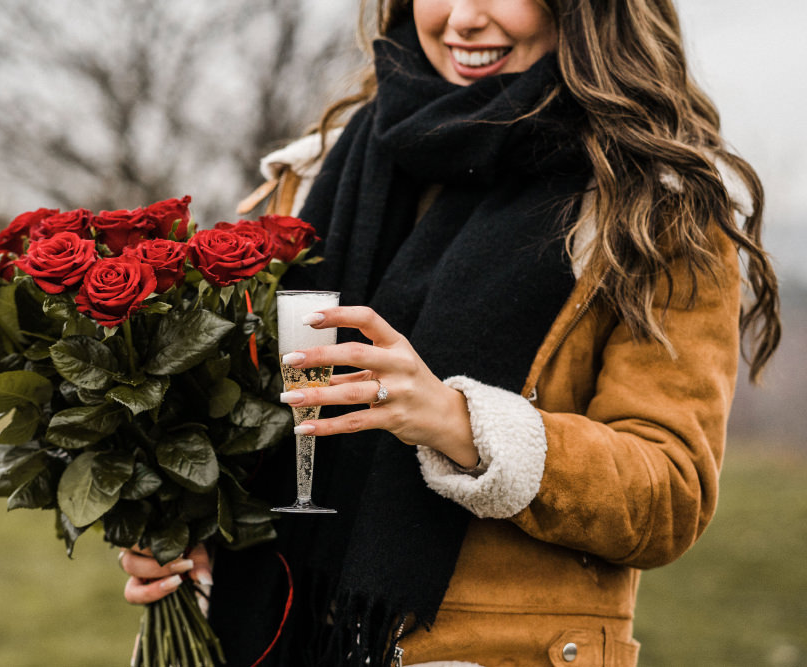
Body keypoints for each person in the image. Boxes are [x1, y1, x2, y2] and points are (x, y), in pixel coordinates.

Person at [118, 0, 781, 665]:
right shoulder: (322, 170)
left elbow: (670, 492)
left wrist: (460, 424)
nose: (463, 19)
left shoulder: (653, 206)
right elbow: (266, 431)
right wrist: (191, 545)